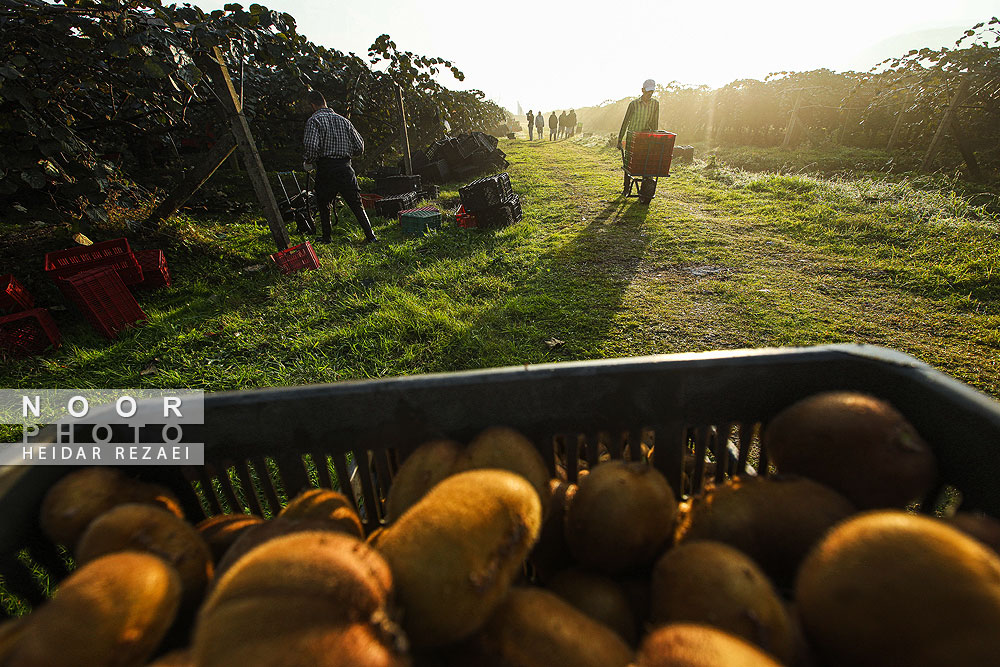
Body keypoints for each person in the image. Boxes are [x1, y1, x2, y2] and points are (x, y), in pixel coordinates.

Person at [303, 89, 378, 244]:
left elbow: (311, 146)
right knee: (356, 203)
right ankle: (371, 236)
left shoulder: (314, 121)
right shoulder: (344, 121)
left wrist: (309, 161)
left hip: (326, 168)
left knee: (324, 203)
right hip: (345, 168)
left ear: (313, 105)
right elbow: (360, 146)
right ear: (324, 102)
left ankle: (327, 237)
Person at [617, 79, 660, 193]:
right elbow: (625, 122)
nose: (649, 94)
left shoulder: (655, 104)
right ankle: (626, 188)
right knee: (629, 163)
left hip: (646, 138)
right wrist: (619, 139)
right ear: (642, 90)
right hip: (633, 137)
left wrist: (654, 137)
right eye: (647, 91)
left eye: (651, 92)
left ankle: (645, 187)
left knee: (646, 162)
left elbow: (655, 122)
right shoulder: (633, 104)